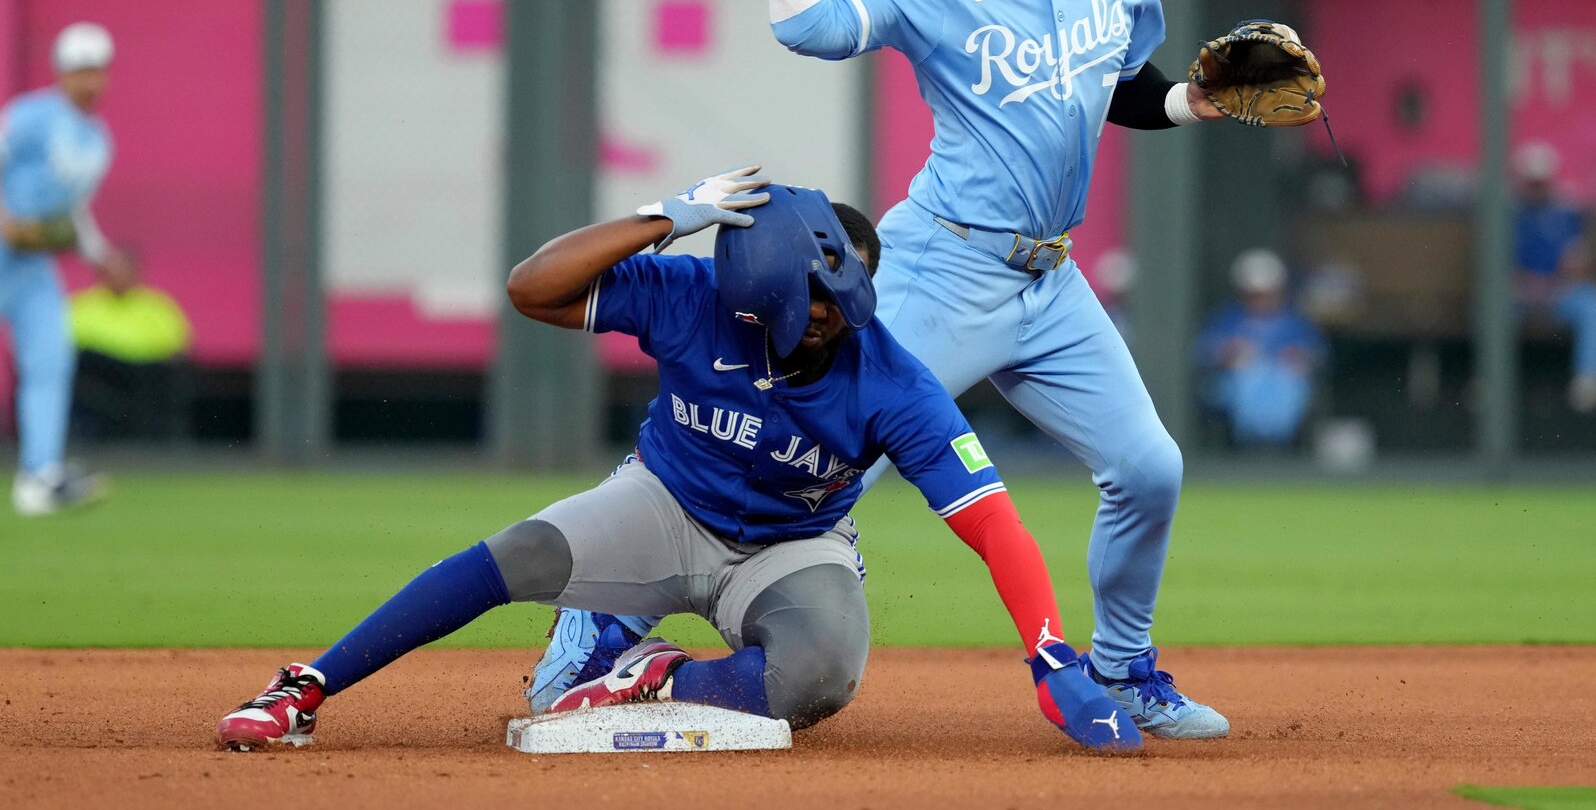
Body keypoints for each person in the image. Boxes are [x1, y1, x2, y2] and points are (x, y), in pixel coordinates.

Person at [537, 0, 1235, 739]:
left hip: (1051, 280)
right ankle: (600, 624)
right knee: (821, 462)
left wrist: (1195, 101)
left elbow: (1118, 85)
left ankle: (1123, 671)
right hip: (942, 267)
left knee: (1150, 467)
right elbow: (805, 24)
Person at [216, 169, 1144, 754]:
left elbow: (995, 526)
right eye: (819, 292)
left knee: (821, 675)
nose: (837, 311)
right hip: (662, 504)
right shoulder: (695, 294)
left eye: (847, 291)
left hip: (792, 543)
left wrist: (1051, 652)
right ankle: (305, 687)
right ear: (769, 280)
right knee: (514, 557)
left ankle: (650, 672)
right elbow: (531, 288)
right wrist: (665, 214)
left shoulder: (891, 382)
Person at [1, 22, 117, 516]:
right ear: (60, 73)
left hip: (31, 268)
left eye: (95, 70)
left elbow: (73, 213)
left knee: (50, 359)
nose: (87, 80)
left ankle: (39, 477)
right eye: (78, 70)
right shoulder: (29, 116)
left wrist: (101, 255)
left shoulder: (97, 138)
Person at [1198, 249, 1326, 447]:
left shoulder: (1295, 322)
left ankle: (1278, 447)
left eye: (1267, 294)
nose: (1260, 300)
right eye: (1254, 294)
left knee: (1290, 386)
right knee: (1240, 383)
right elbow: (1204, 352)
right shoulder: (1228, 318)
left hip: (1284, 385)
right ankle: (1247, 446)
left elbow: (1317, 355)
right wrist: (1229, 354)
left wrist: (1298, 358)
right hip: (1237, 384)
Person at [69, 248, 193, 440]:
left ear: (136, 272)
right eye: (112, 270)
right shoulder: (83, 304)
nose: (118, 276)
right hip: (99, 379)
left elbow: (179, 347)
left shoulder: (157, 305)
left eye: (123, 269)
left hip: (146, 379)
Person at [1512, 143, 1596, 414]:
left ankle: (1587, 380)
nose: (1537, 188)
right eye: (1532, 182)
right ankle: (1494, 379)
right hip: (1520, 292)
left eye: (1542, 182)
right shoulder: (1509, 214)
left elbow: (1577, 258)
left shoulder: (1566, 214)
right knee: (1491, 307)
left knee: (1592, 305)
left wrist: (1573, 266)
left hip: (1559, 291)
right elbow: (1497, 265)